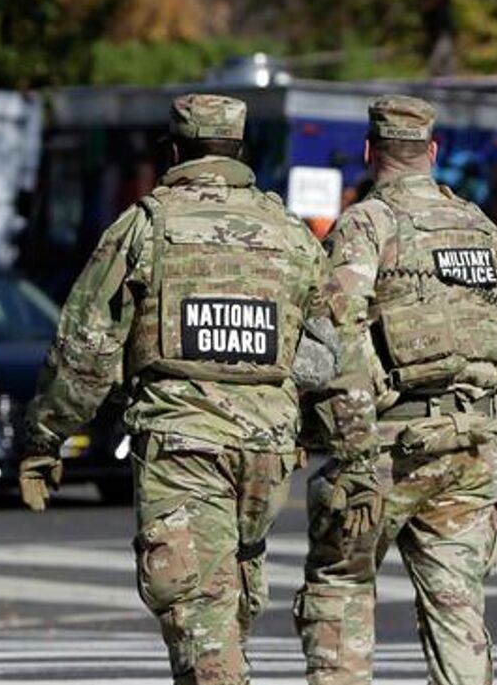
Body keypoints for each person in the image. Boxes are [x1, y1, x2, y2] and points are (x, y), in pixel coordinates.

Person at [20, 94, 326, 685]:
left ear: (176, 150)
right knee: (227, 606)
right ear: (239, 150)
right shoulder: (290, 235)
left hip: (185, 444)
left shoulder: (145, 227)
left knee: (199, 616)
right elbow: (331, 353)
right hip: (267, 453)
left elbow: (86, 348)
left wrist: (44, 438)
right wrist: (309, 429)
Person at [293, 96, 497, 685]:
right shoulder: (477, 224)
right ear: (431, 153)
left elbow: (330, 337)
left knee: (341, 586)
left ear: (371, 152)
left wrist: (329, 431)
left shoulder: (366, 224)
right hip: (473, 444)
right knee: (457, 607)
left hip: (388, 443)